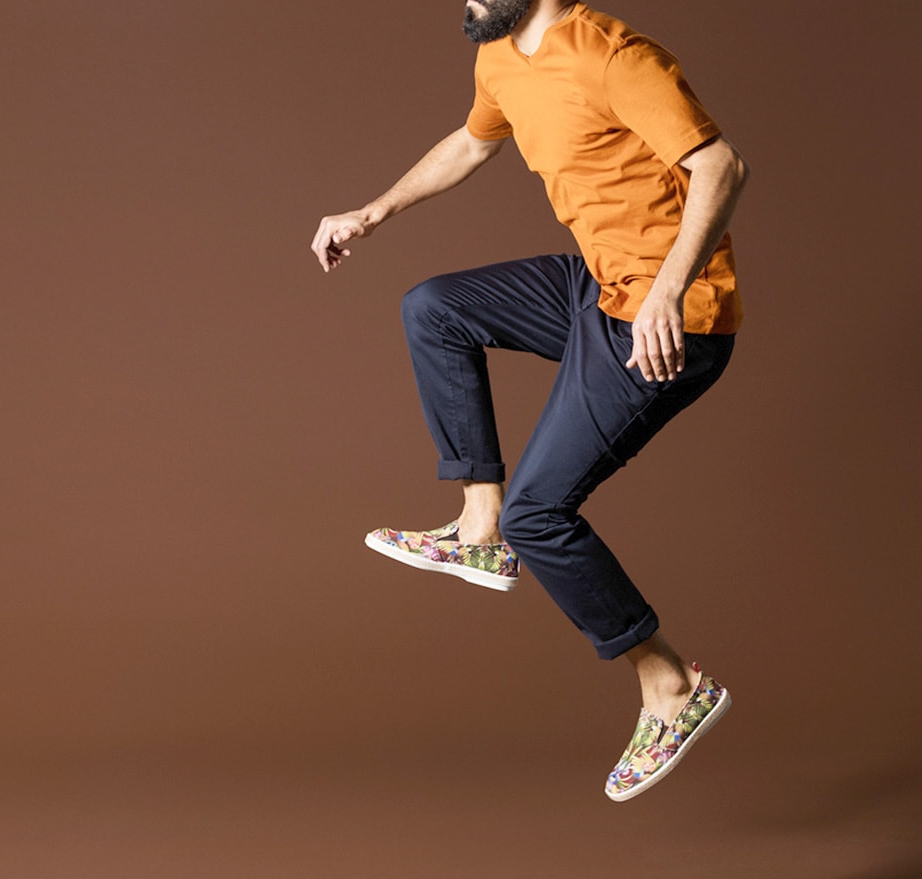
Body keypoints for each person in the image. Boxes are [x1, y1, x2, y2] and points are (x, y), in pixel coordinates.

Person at [309, 0, 748, 801]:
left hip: (670, 317)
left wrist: (667, 289)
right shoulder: (499, 55)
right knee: (433, 308)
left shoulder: (612, 55)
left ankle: (670, 684)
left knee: (539, 513)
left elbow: (721, 165)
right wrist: (373, 211)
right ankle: (479, 527)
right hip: (600, 288)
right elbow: (473, 141)